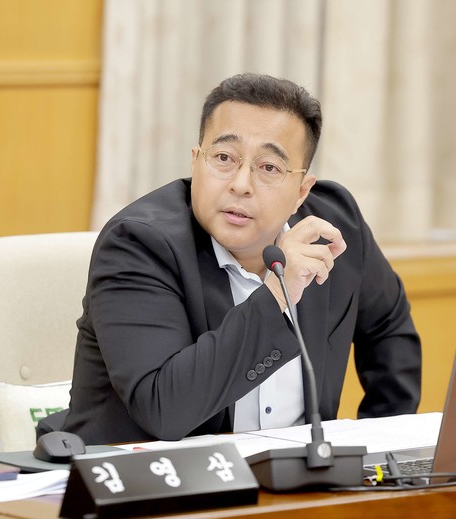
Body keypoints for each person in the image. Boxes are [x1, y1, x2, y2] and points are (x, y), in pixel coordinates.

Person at [62, 73, 421, 445]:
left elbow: (388, 328)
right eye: (223, 158)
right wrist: (277, 295)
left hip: (297, 475)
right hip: (151, 474)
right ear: (195, 163)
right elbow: (163, 410)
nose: (241, 184)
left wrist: (379, 448)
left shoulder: (333, 227)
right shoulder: (138, 245)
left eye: (269, 167)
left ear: (301, 192)